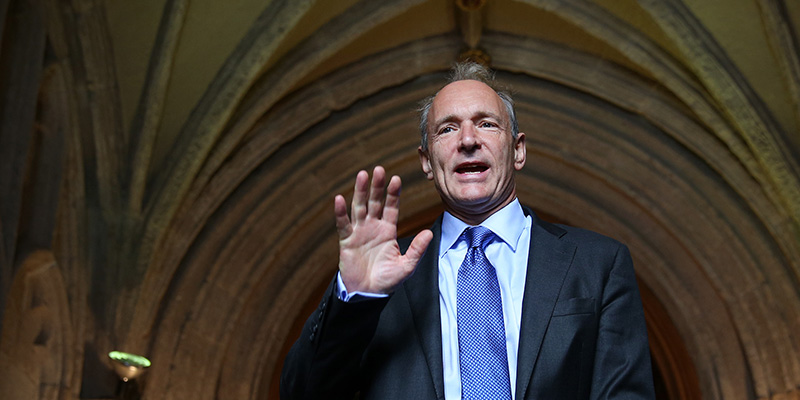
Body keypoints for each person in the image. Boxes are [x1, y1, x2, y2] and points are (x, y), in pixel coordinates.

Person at [280, 62, 655, 400]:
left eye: (487, 124)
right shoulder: (382, 278)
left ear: (518, 150)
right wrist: (357, 298)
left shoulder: (599, 263)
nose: (468, 140)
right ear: (427, 162)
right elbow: (303, 393)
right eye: (447, 129)